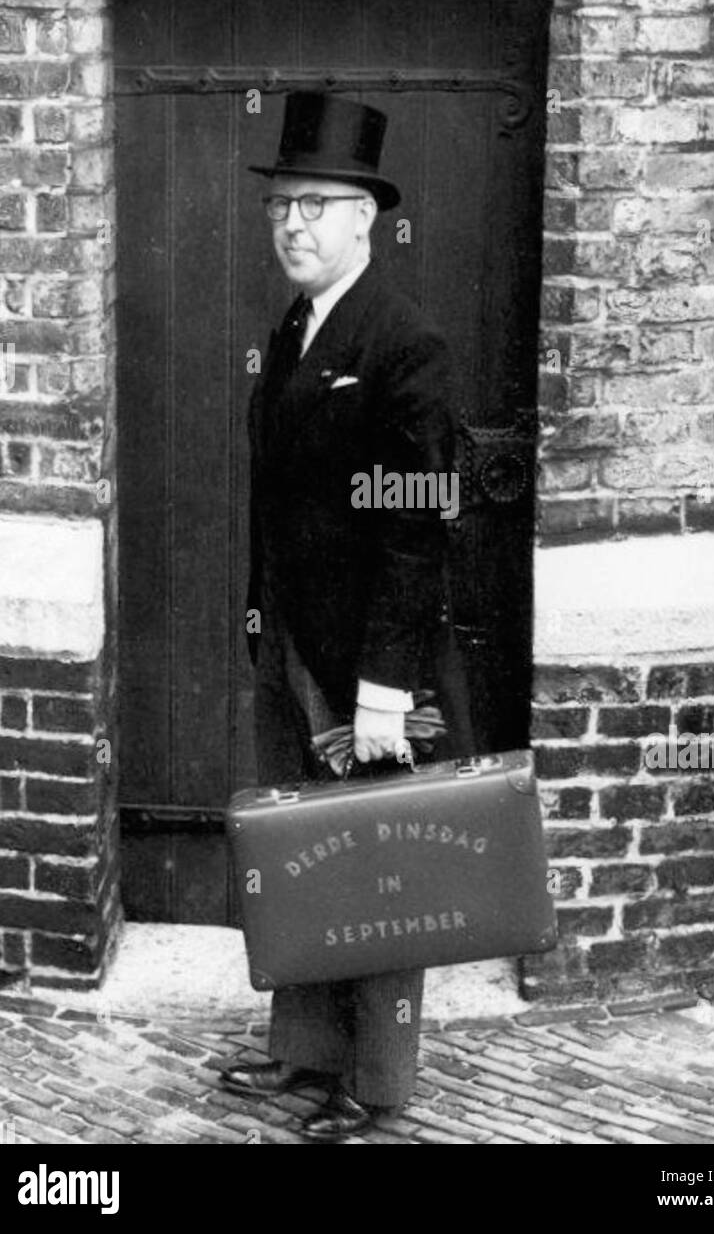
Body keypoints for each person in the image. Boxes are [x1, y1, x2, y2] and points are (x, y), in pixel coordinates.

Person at [220, 91, 472, 1142]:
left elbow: (420, 531)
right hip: (295, 643)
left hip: (370, 670)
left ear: (365, 219)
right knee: (309, 853)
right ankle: (307, 1055)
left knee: (378, 870)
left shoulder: (403, 344)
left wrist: (381, 690)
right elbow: (279, 497)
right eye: (281, 204)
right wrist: (257, 612)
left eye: (315, 204)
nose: (292, 223)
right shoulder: (295, 327)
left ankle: (378, 1089)